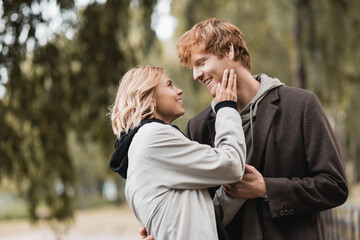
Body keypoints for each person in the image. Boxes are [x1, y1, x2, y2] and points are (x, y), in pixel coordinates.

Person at [174, 18, 349, 240]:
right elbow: (190, 202)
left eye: (201, 62)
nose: (196, 75)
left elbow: (335, 187)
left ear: (229, 50)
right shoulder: (197, 127)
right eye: (192, 68)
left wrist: (265, 188)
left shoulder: (301, 105)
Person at [108, 65, 247, 239]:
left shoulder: (138, 150)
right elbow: (232, 165)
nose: (179, 90)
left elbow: (201, 217)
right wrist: (226, 107)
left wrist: (241, 192)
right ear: (149, 98)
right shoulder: (153, 137)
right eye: (169, 85)